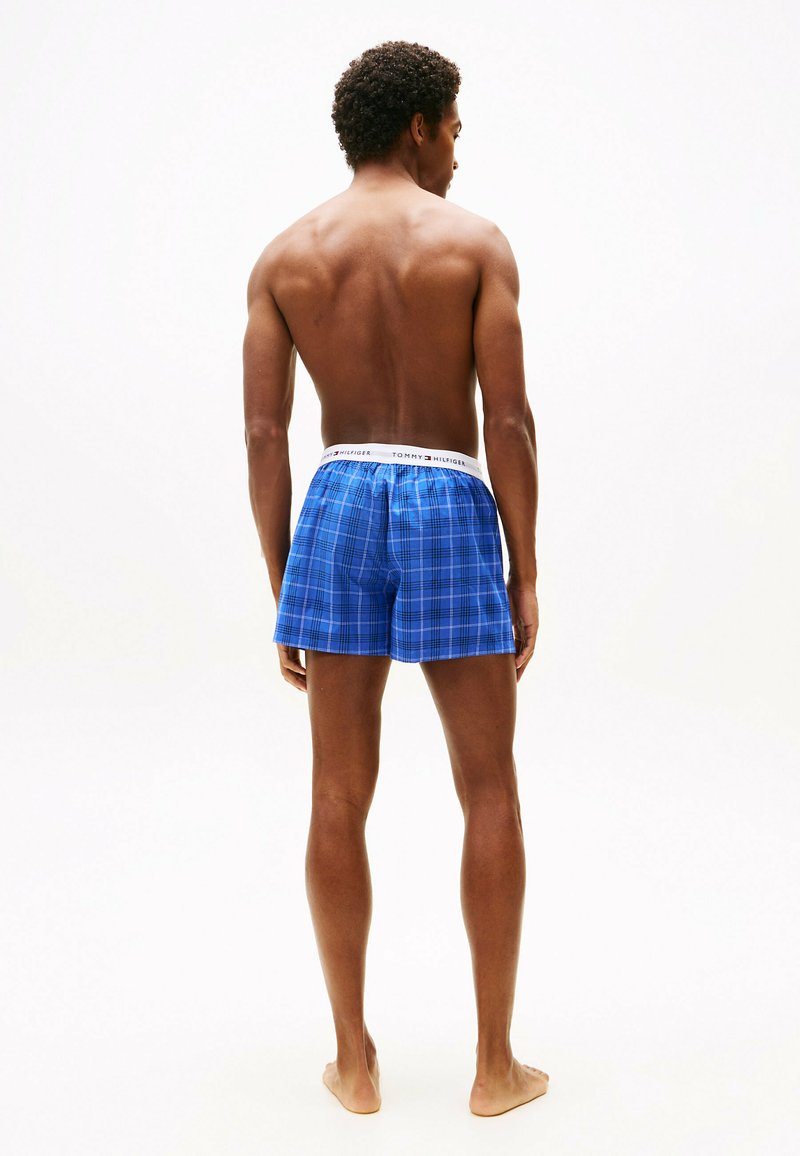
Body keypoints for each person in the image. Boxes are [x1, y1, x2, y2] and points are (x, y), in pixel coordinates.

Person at [243, 39, 544, 1118]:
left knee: (335, 792)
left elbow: (265, 434)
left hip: (336, 502)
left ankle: (354, 1062)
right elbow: (508, 421)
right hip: (448, 499)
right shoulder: (472, 244)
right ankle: (494, 1067)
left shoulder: (286, 257)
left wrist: (282, 578)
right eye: (454, 129)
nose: (458, 151)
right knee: (489, 788)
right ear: (418, 126)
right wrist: (524, 568)